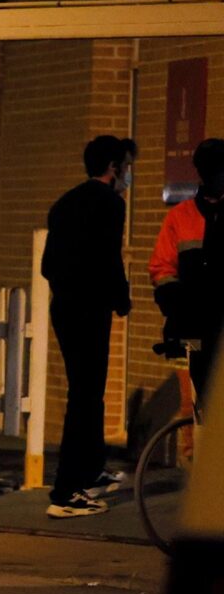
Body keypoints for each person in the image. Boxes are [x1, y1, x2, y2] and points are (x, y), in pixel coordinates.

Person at [40, 135, 134, 519]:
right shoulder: (110, 204)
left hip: (64, 305)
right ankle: (66, 491)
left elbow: (48, 264)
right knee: (85, 394)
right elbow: (110, 256)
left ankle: (90, 468)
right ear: (114, 168)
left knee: (88, 391)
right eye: (126, 167)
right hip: (90, 309)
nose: (128, 174)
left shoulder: (64, 203)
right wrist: (121, 298)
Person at [150, 138, 224, 409]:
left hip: (209, 327)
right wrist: (176, 304)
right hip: (195, 329)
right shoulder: (181, 217)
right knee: (198, 408)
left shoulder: (182, 216)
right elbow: (162, 269)